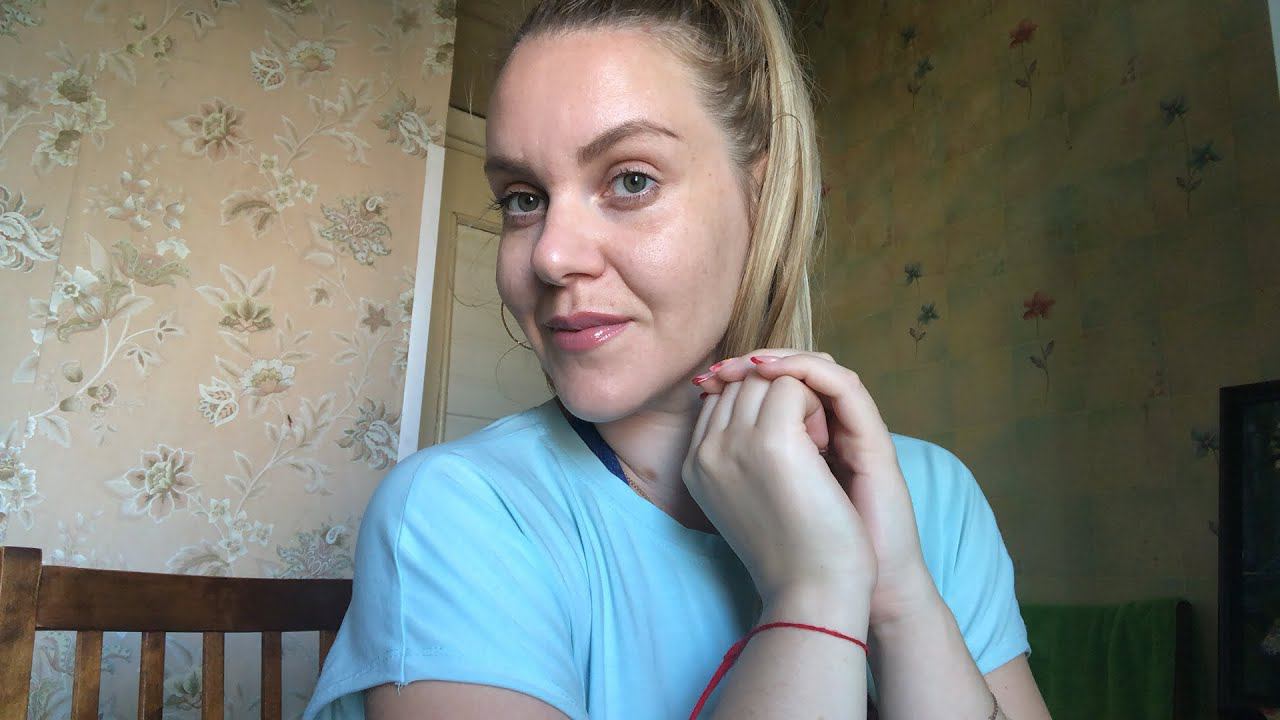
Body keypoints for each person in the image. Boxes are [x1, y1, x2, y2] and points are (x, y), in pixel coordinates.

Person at [303, 1, 1053, 718]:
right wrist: (815, 593)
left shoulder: (931, 497)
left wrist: (899, 602)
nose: (551, 255)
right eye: (523, 198)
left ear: (762, 197)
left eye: (631, 180)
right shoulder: (457, 514)